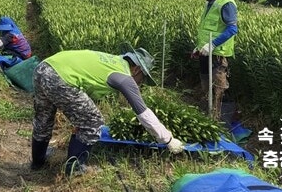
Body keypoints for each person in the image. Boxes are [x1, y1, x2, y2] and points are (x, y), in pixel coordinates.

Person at [31, 45, 184, 177]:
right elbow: (143, 112)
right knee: (93, 121)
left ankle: (38, 162)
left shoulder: (113, 61)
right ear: (137, 69)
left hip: (44, 67)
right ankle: (74, 169)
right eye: (143, 78)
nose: (141, 82)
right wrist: (168, 140)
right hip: (60, 78)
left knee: (43, 119)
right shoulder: (124, 77)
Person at [191, 0, 238, 121]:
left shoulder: (226, 3)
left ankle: (217, 122)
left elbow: (232, 29)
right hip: (205, 53)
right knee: (206, 88)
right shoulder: (210, 2)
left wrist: (212, 44)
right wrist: (199, 48)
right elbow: (207, 29)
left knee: (217, 90)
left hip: (218, 55)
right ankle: (208, 118)